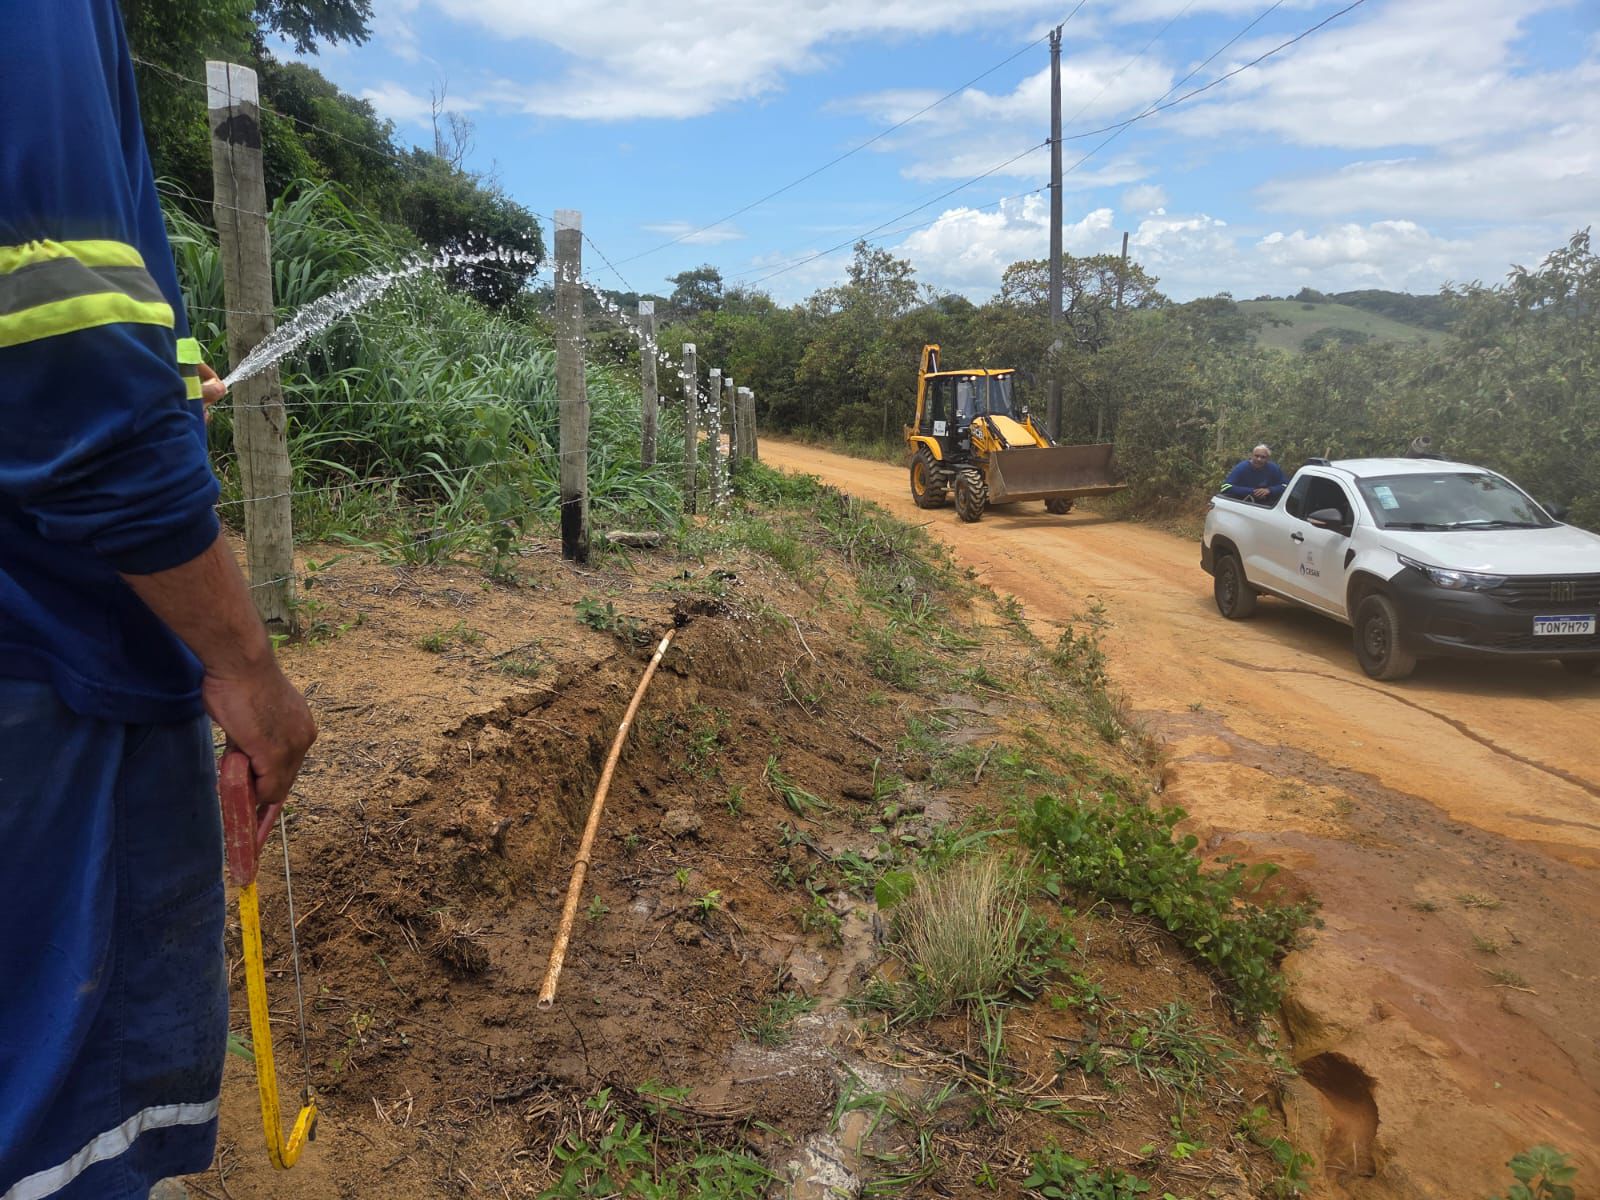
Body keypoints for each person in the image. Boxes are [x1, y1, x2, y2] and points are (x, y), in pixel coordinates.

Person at [0, 5, 316, 1198]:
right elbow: (64, 348)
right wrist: (247, 666)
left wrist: (163, 372)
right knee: (60, 1125)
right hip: (50, 657)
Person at [1222, 444, 1288, 504]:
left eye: (1263, 457)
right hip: (1242, 503)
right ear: (1252, 456)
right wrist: (1253, 492)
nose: (1259, 459)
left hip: (1266, 506)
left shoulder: (1273, 468)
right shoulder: (1242, 467)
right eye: (1256, 456)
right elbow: (1225, 487)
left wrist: (1270, 490)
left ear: (1268, 458)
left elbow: (1285, 486)